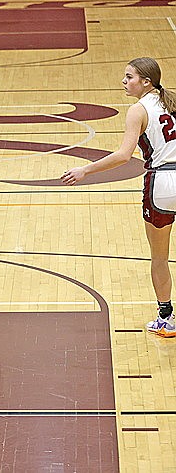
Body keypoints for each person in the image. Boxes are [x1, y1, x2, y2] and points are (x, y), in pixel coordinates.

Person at [62, 57, 176, 337]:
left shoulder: (137, 110)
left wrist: (85, 169)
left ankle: (167, 318)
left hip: (161, 183)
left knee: (159, 258)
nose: (124, 82)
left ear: (145, 82)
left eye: (129, 77)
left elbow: (124, 155)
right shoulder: (172, 101)